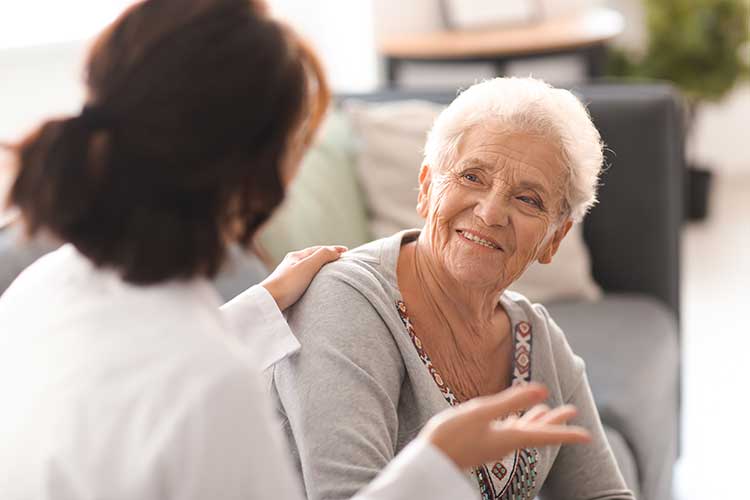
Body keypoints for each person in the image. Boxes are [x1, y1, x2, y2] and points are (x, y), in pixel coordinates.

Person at [0, 2, 590, 499]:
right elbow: (171, 384)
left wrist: (257, 308)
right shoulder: (212, 385)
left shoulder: (42, 288)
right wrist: (433, 464)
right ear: (259, 173)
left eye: (528, 200)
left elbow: (131, 373)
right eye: (299, 142)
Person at [271, 77, 636, 500]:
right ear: (426, 189)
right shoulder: (344, 302)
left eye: (528, 200)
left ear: (554, 239)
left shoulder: (538, 342)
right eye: (472, 176)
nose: (491, 211)